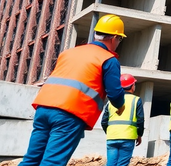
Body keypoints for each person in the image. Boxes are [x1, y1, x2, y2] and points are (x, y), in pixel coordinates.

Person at [19, 14, 127, 166]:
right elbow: (115, 93)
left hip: (44, 107)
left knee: (31, 159)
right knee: (52, 162)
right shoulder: (108, 59)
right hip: (70, 112)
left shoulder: (69, 53)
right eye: (120, 39)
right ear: (114, 37)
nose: (118, 43)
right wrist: (120, 106)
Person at [102, 74, 144, 166]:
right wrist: (139, 134)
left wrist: (110, 132)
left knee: (110, 164)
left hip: (112, 137)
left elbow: (104, 121)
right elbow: (140, 120)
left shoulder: (111, 101)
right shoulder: (136, 100)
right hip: (128, 137)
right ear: (132, 86)